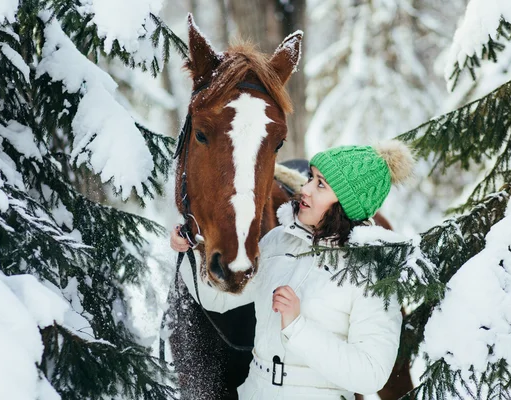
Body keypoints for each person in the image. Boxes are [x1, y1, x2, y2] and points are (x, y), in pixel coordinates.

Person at [170, 140, 413, 400]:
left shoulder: (372, 271)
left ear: (347, 203)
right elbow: (218, 300)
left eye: (320, 184)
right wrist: (193, 253)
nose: (305, 189)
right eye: (311, 178)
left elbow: (371, 375)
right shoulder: (278, 241)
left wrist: (297, 326)